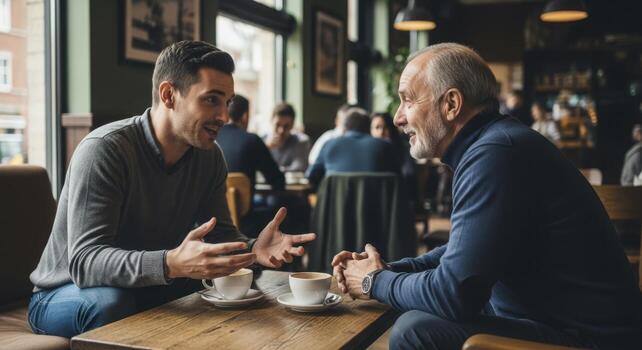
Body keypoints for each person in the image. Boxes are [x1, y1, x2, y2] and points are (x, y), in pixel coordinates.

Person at [332, 43, 642, 350]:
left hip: (587, 339)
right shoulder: (495, 144)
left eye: (408, 101)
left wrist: (375, 282)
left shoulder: (495, 154)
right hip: (543, 318)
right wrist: (389, 270)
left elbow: (455, 294)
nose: (398, 117)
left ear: (451, 104)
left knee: (415, 331)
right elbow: (464, 253)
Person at [28, 41, 315, 338]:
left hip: (146, 283)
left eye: (227, 102)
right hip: (64, 293)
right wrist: (169, 264)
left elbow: (221, 236)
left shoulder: (209, 156)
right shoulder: (105, 150)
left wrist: (253, 250)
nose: (224, 116)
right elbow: (86, 262)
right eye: (211, 100)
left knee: (232, 289)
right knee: (111, 302)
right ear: (168, 95)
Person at [306, 108, 399, 187]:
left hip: (337, 207)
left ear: (345, 128)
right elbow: (397, 181)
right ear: (368, 128)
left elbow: (311, 176)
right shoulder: (385, 146)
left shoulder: (329, 145)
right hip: (376, 207)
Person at [217, 94, 285, 191]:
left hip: (212, 205)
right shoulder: (252, 140)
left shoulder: (213, 138)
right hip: (242, 206)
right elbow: (278, 180)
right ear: (245, 116)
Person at [263, 103, 310, 172]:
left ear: (292, 125)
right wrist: (265, 148)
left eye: (286, 126)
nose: (281, 130)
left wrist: (270, 170)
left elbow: (299, 168)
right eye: (277, 125)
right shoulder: (261, 140)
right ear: (271, 121)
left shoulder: (301, 141)